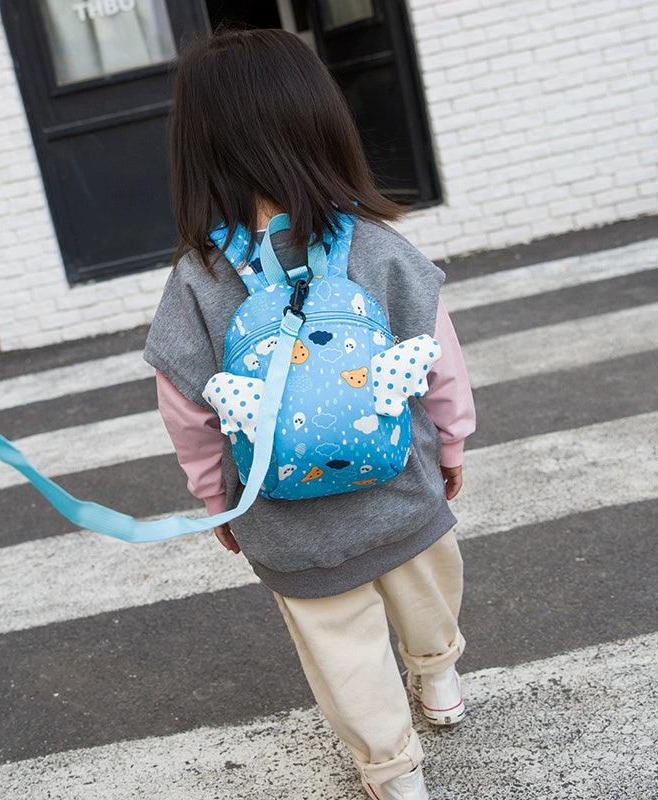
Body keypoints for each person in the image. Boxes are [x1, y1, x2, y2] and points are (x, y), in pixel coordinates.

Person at [144, 28, 476, 800]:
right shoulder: (374, 246)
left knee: (341, 647)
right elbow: (440, 357)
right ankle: (438, 680)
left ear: (195, 150)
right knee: (428, 591)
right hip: (400, 488)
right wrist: (452, 443)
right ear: (322, 124)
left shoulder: (196, 282)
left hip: (286, 517)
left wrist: (214, 500)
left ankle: (394, 775)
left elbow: (187, 409)